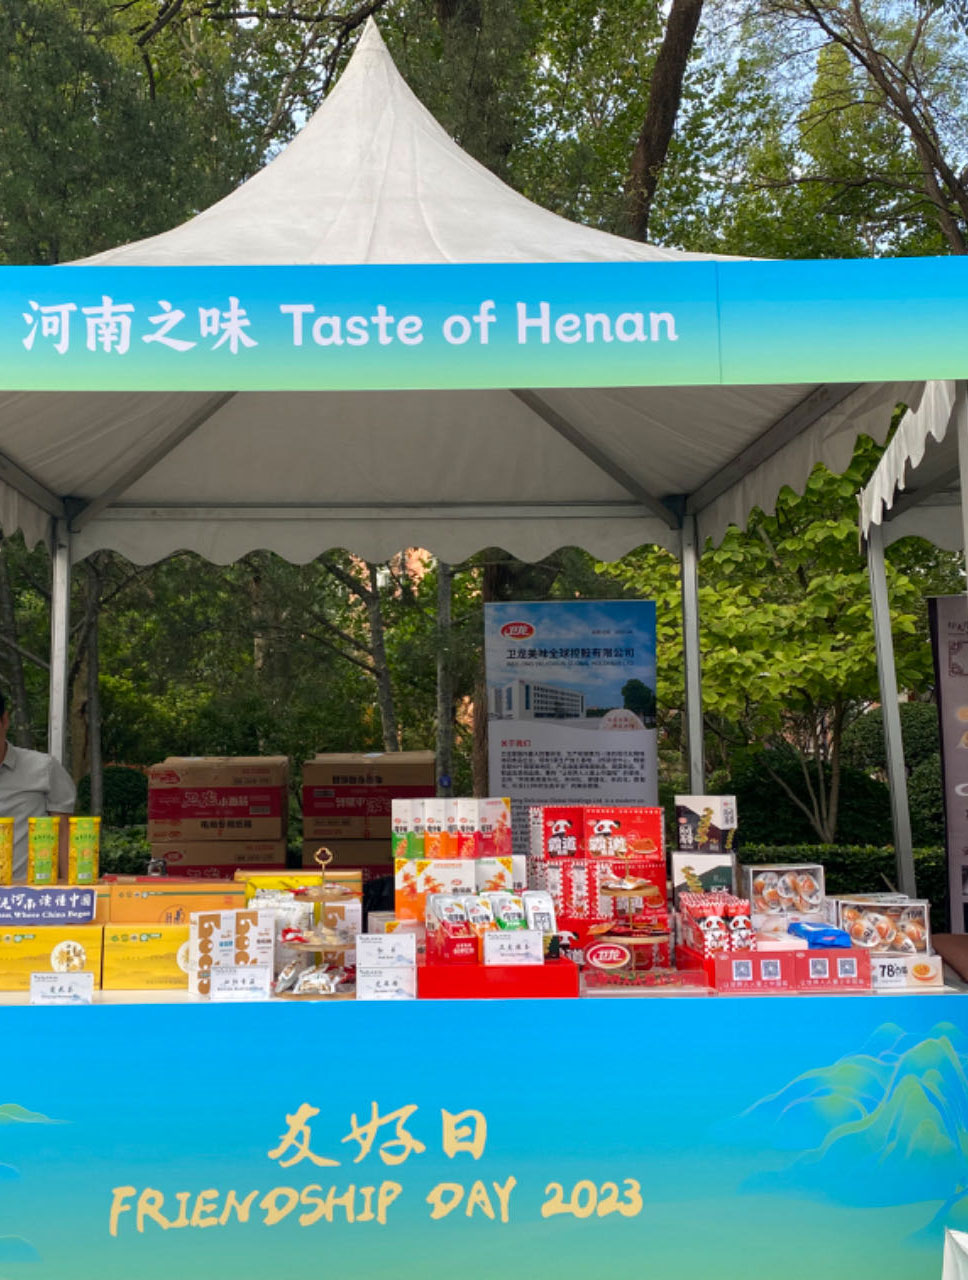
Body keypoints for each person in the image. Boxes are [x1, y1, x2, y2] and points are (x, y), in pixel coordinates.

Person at [0, 690, 76, 882]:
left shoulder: (43, 768)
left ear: (5, 721)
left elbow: (65, 835)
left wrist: (71, 889)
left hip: (29, 894)